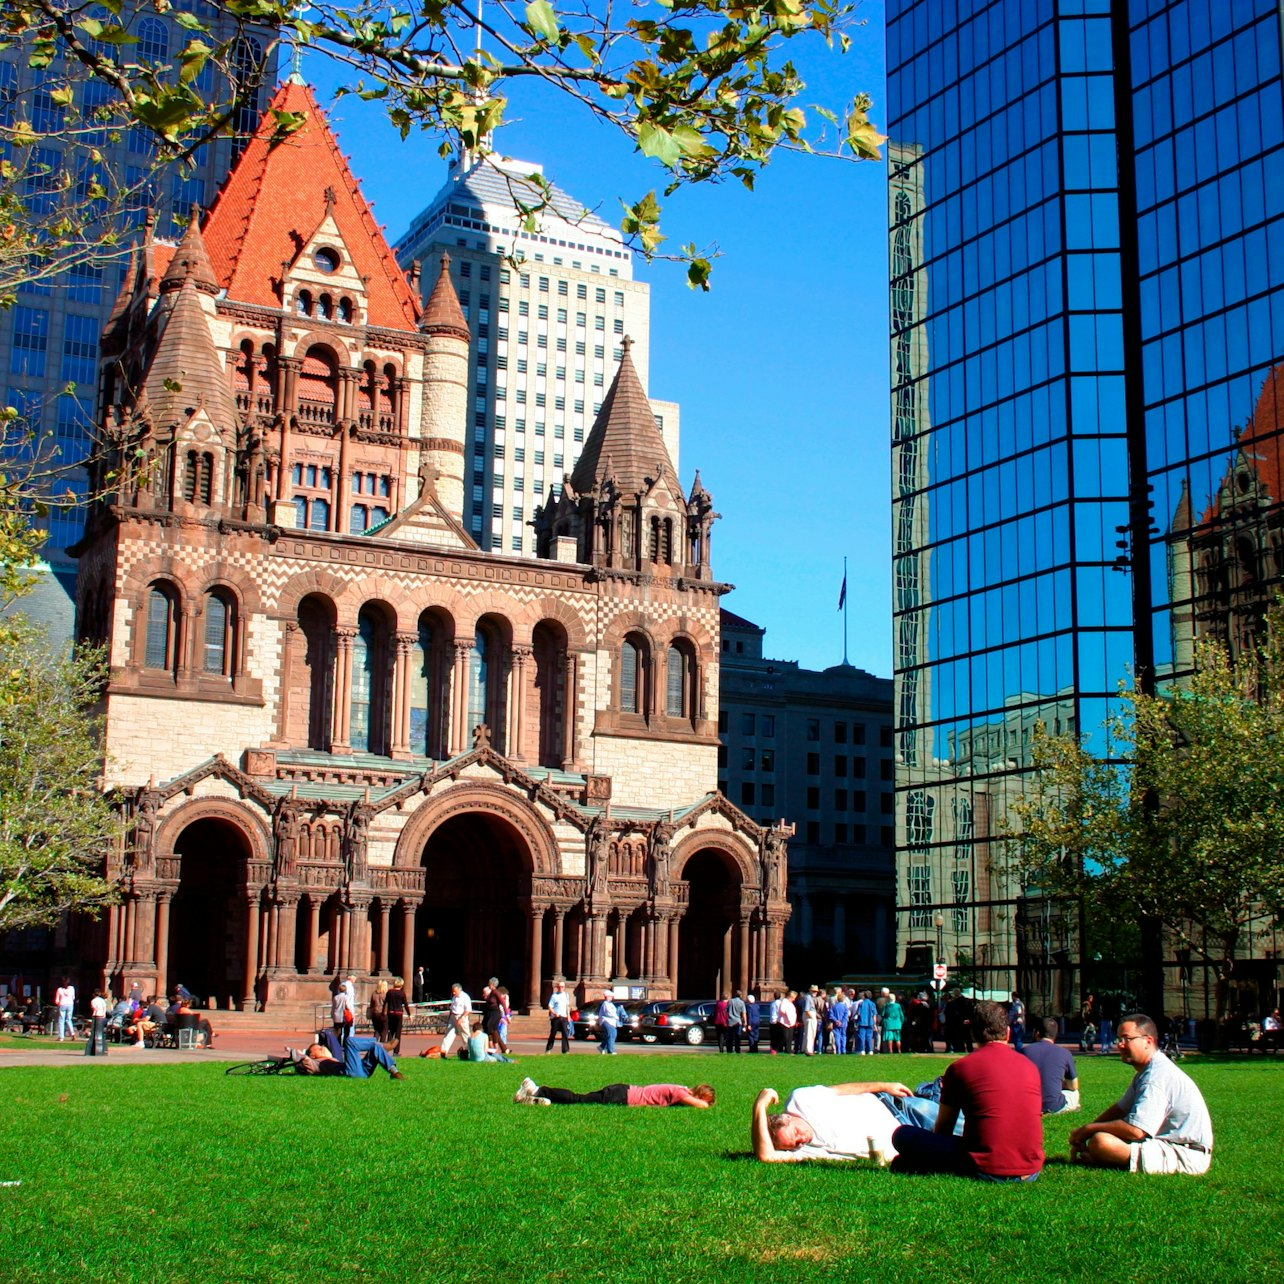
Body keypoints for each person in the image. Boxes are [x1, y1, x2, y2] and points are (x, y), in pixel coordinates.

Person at [890, 1000, 1043, 1182]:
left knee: (902, 1135)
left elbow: (944, 1129)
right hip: (1030, 1169)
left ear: (973, 1033)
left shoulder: (961, 1067)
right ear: (1008, 1033)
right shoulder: (1030, 1067)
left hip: (983, 1165)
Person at [1069, 1013, 1213, 1175]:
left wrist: (1089, 1130)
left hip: (1186, 1154)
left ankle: (1100, 1158)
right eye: (1119, 1039)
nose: (1120, 1045)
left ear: (1148, 1041)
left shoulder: (1156, 1077)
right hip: (1165, 1144)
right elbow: (1120, 1109)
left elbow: (1136, 1130)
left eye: (1126, 1039)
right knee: (1101, 1139)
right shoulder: (1148, 1072)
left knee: (1101, 1142)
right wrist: (1084, 1133)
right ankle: (1102, 1157)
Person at [751, 1080, 939, 1163]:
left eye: (796, 1134)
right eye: (794, 1144)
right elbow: (766, 1156)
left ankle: (934, 1090)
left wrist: (885, 1086)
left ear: (788, 1117)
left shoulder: (801, 1100)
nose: (801, 1140)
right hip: (908, 1144)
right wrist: (759, 1107)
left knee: (965, 1127)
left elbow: (843, 1089)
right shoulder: (805, 1151)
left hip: (899, 1110)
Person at [515, 1077, 714, 1108]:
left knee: (581, 1098)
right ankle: (537, 1089)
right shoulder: (680, 1093)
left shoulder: (679, 1088)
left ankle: (531, 1098)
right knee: (579, 1099)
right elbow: (702, 1106)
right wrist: (705, 1103)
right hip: (621, 1096)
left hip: (623, 1091)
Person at [1022, 1018, 1080, 1113]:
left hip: (1028, 1104)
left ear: (1037, 1033)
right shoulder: (1065, 1053)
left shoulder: (1024, 1051)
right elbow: (1074, 1086)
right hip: (1054, 1105)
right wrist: (1059, 1083)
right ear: (1055, 1036)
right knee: (1075, 1092)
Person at [293, 1030, 405, 1080]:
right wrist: (298, 1053)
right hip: (350, 1072)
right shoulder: (315, 1064)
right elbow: (301, 1059)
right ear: (312, 1055)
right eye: (318, 1049)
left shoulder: (330, 1059)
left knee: (375, 1049)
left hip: (361, 1071)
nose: (323, 1048)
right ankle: (383, 1045)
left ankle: (395, 1072)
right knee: (349, 1041)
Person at [439, 982, 472, 1057]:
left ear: (459, 990)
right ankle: (443, 1051)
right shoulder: (454, 997)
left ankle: (469, 1051)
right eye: (453, 991)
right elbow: (452, 1007)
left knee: (465, 1035)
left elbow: (468, 1010)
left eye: (455, 991)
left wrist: (461, 1018)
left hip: (462, 1017)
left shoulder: (465, 997)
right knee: (448, 1034)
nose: (453, 993)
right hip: (453, 1017)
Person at [384, 976, 411, 1053]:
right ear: (401, 985)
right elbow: (405, 1004)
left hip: (391, 1013)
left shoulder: (389, 992)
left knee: (390, 1031)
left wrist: (384, 1013)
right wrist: (409, 1014)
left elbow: (386, 1003)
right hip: (399, 1014)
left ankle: (386, 1049)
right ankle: (396, 1051)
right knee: (398, 1033)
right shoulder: (402, 993)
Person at [545, 979, 571, 1054]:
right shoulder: (554, 996)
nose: (561, 988)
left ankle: (565, 1050)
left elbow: (567, 1006)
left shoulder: (566, 995)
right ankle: (548, 1049)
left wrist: (568, 1016)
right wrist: (555, 1013)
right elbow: (550, 1007)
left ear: (564, 987)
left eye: (562, 987)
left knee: (565, 1034)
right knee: (553, 1033)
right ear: (557, 987)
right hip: (556, 1017)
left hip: (564, 1017)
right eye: (559, 987)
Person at [331, 978, 353, 1046]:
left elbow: (333, 1007)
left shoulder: (335, 997)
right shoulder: (346, 997)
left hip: (336, 1015)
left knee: (337, 1032)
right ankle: (345, 1044)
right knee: (346, 1031)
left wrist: (332, 1014)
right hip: (344, 1016)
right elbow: (347, 1006)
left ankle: (337, 1044)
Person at [854, 991, 878, 1056]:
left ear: (864, 996)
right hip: (870, 1022)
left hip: (862, 1022)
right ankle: (870, 1050)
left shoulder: (861, 1004)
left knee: (862, 1037)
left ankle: (862, 1050)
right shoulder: (872, 1004)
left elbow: (858, 1013)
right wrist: (875, 1024)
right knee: (869, 1037)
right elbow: (874, 1015)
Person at [827, 988, 850, 1056]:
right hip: (843, 1024)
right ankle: (843, 1050)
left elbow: (831, 1015)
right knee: (843, 1036)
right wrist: (841, 1021)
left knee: (837, 1036)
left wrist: (836, 1021)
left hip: (835, 1023)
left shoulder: (833, 1007)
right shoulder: (845, 1007)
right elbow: (846, 1015)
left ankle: (838, 1050)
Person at [598, 990, 621, 1055]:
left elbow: (614, 1012)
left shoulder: (610, 1004)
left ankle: (602, 1047)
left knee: (612, 1035)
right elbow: (608, 1013)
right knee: (611, 1034)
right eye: (610, 996)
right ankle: (610, 1051)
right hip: (606, 1021)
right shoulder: (605, 1004)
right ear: (607, 996)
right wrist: (616, 1017)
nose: (612, 997)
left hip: (612, 1021)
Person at [725, 989, 746, 1054]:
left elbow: (726, 1011)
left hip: (730, 1021)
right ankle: (737, 1049)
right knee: (738, 1036)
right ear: (740, 995)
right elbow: (743, 1013)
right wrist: (745, 1021)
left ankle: (729, 1049)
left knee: (730, 1037)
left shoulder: (730, 1001)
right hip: (738, 1021)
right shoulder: (742, 1003)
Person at [368, 979, 389, 1045]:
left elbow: (371, 1005)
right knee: (384, 1031)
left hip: (375, 1013)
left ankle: (374, 1044)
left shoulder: (374, 993)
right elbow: (387, 1005)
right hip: (383, 1014)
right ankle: (381, 1045)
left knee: (377, 1030)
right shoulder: (385, 994)